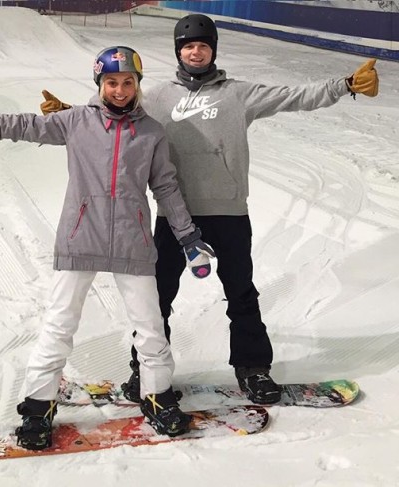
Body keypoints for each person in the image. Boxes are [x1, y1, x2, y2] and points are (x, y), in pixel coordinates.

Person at [40, 15, 379, 406]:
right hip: (175, 215)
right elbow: (112, 107)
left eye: (203, 45)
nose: (195, 51)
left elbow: (293, 96)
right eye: (188, 46)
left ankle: (253, 369)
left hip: (229, 214)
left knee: (241, 294)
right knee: (157, 298)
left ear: (213, 50)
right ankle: (144, 372)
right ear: (178, 51)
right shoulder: (156, 96)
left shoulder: (238, 94)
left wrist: (346, 85)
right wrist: (67, 114)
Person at [0, 45, 216, 450]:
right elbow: (22, 125)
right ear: (100, 84)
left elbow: (166, 187)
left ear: (137, 84)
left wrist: (188, 239)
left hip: (132, 244)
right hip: (81, 238)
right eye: (112, 82)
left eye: (127, 81)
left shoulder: (151, 133)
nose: (119, 90)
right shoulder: (77, 121)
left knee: (151, 329)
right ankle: (37, 408)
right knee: (59, 326)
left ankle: (156, 395)